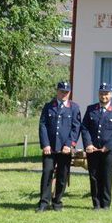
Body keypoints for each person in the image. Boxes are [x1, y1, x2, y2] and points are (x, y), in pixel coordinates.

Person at [37, 81, 81, 212]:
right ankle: (44, 202)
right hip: (50, 148)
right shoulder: (49, 106)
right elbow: (42, 126)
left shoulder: (74, 108)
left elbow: (76, 128)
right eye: (62, 91)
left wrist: (69, 145)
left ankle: (57, 202)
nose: (64, 94)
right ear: (57, 91)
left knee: (62, 176)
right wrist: (45, 144)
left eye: (66, 92)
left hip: (64, 149)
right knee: (47, 174)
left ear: (70, 93)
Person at [81, 82, 112, 210]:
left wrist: (108, 146)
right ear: (98, 94)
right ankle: (96, 204)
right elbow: (84, 127)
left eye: (106, 93)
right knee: (94, 177)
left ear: (111, 95)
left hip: (109, 151)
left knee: (106, 177)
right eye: (101, 93)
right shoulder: (91, 109)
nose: (104, 96)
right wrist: (88, 144)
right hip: (93, 150)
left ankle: (106, 204)